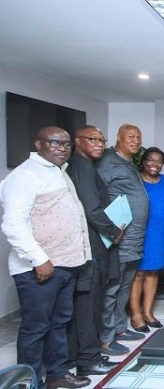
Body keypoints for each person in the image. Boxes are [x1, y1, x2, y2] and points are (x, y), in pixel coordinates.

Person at [0, 126, 92, 389]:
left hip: (66, 263)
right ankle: (28, 380)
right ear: (38, 144)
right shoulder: (25, 176)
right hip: (40, 268)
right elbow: (13, 224)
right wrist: (38, 258)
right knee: (35, 328)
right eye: (55, 143)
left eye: (66, 144)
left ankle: (57, 374)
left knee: (59, 323)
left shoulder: (58, 173)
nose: (62, 148)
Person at [66, 126, 123, 376]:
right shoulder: (82, 167)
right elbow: (92, 209)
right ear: (78, 142)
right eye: (93, 140)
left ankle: (83, 355)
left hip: (94, 243)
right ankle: (87, 359)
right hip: (92, 244)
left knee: (91, 303)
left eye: (102, 140)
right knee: (89, 304)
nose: (99, 144)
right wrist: (113, 231)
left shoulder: (85, 166)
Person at [96, 123, 150, 354]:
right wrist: (109, 227)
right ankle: (105, 339)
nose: (136, 141)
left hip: (135, 237)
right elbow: (97, 194)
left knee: (124, 287)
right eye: (130, 137)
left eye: (138, 137)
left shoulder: (128, 162)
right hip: (118, 237)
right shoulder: (107, 161)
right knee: (111, 288)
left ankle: (119, 328)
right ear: (117, 137)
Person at [129, 147, 164, 332]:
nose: (155, 164)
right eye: (151, 160)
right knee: (138, 274)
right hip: (140, 232)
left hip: (159, 233)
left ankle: (148, 312)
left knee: (153, 272)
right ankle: (136, 315)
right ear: (143, 162)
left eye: (159, 161)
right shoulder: (136, 180)